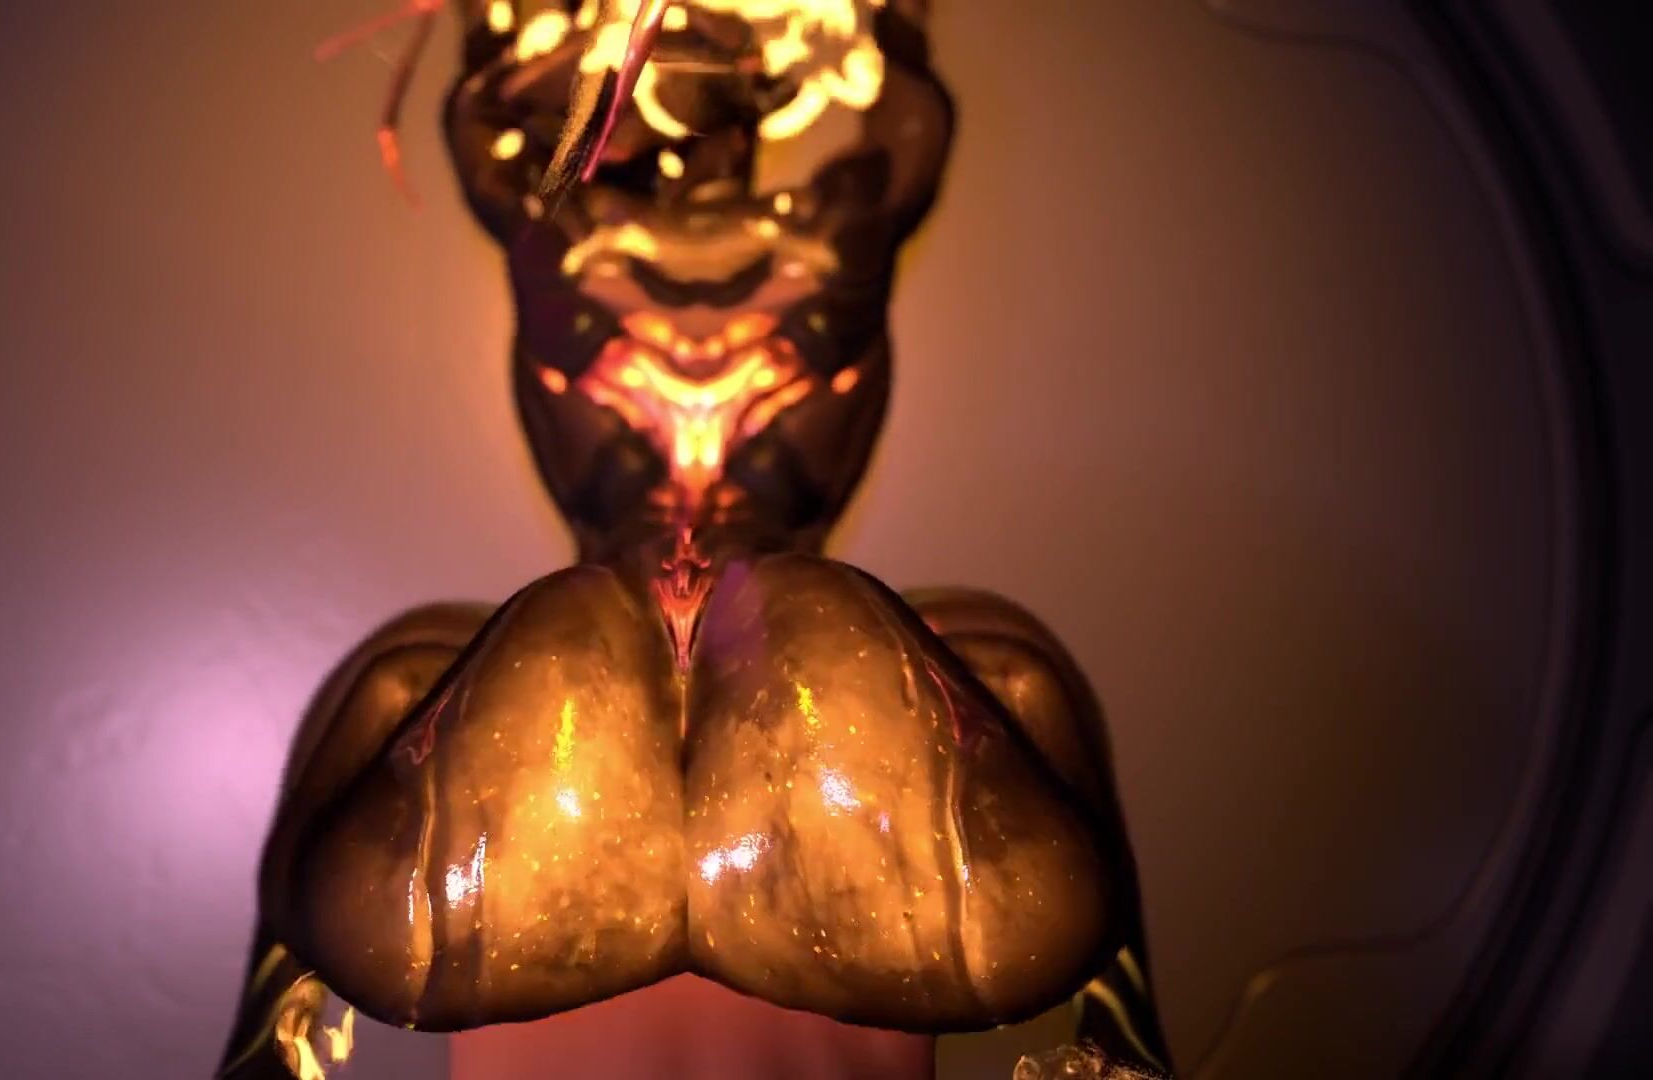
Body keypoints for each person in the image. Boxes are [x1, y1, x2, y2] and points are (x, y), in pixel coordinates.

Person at [220, 3, 1169, 1076]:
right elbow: (477, 118)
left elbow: (909, 115)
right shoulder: (598, 239)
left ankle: (1116, 1039)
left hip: (776, 725)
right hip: (665, 736)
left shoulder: (820, 238)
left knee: (957, 655)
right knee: (457, 663)